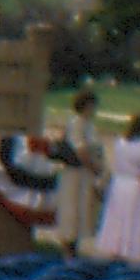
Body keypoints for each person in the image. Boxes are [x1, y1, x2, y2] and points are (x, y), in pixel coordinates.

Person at [93, 112, 140, 261]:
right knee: (133, 220)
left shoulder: (120, 143)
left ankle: (115, 248)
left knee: (118, 219)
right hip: (136, 186)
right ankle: (129, 250)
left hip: (119, 184)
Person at [51, 89, 102, 252]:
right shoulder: (77, 124)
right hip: (75, 173)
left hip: (84, 174)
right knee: (72, 211)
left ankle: (75, 247)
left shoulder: (89, 125)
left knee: (82, 211)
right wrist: (94, 168)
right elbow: (80, 150)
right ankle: (68, 249)